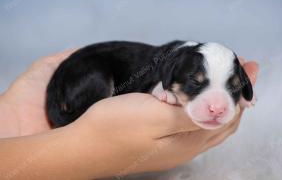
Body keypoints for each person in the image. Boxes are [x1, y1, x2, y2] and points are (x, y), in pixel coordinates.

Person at [0, 49, 258, 179]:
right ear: (170, 77)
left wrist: (11, 115)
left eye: (232, 86)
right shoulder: (170, 69)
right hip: (87, 74)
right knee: (100, 81)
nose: (216, 105)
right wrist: (81, 149)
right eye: (196, 84)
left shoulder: (182, 61)